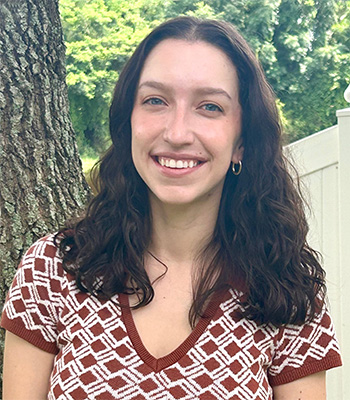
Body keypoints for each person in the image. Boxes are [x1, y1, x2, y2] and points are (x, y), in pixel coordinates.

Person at [1, 16, 342, 400]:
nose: (177, 133)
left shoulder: (286, 288)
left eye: (210, 106)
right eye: (155, 101)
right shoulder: (53, 269)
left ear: (242, 141)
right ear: (128, 122)